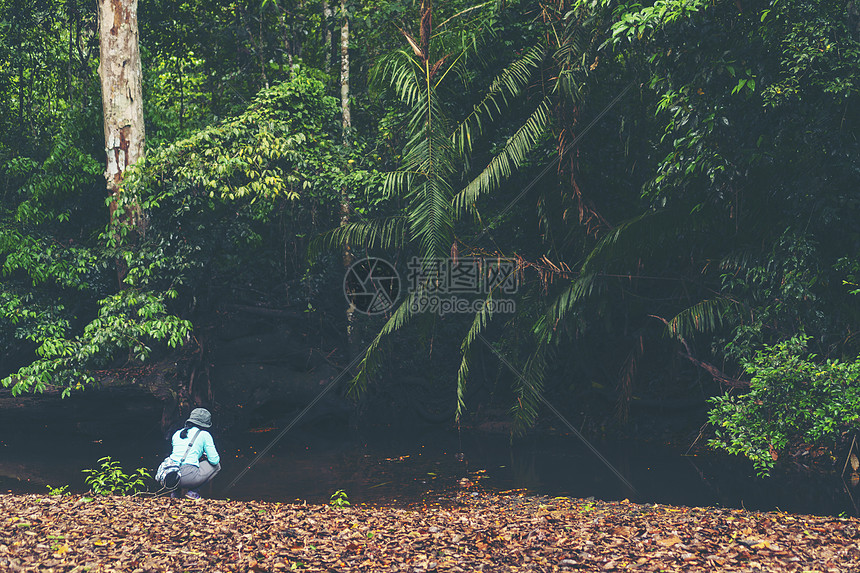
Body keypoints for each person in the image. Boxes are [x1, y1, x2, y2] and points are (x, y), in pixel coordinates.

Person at [169, 407, 221, 499]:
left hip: (169, 475)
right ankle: (193, 492)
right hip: (187, 476)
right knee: (217, 466)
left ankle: (175, 493)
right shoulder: (204, 435)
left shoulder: (177, 433)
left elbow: (179, 455)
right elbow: (214, 460)